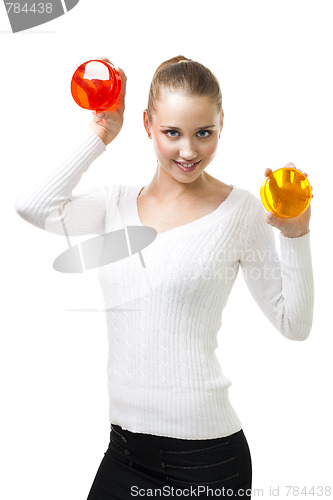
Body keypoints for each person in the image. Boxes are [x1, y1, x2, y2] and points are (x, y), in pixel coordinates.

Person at [15, 55, 314, 499]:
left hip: (206, 461)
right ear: (147, 124)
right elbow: (34, 206)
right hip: (123, 451)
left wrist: (297, 234)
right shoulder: (112, 204)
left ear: (221, 125)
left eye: (203, 133)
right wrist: (100, 133)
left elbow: (295, 324)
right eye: (172, 132)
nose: (189, 151)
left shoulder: (243, 211)